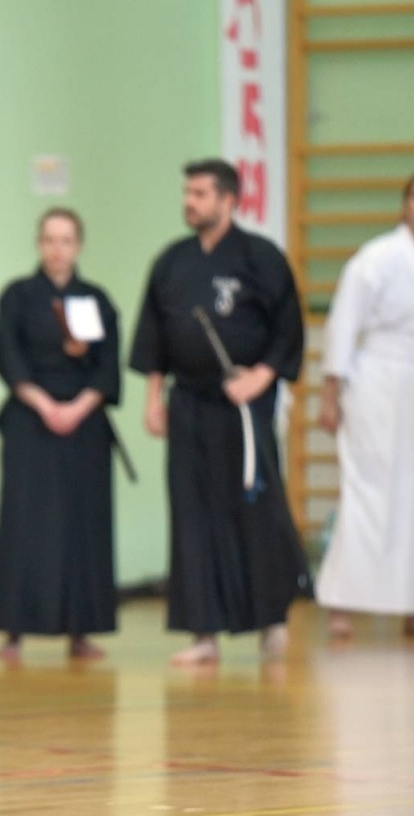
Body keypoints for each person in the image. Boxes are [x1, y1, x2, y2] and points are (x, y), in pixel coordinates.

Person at [130, 159, 308, 665]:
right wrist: (152, 399)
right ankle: (202, 632)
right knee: (191, 510)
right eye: (188, 192)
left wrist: (260, 377)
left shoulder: (260, 257)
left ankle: (271, 619)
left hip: (244, 401)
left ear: (229, 201)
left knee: (254, 507)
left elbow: (288, 329)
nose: (191, 201)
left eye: (201, 193)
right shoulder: (171, 262)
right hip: (188, 400)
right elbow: (154, 336)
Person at [316, 171, 414, 639]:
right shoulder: (375, 258)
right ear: (405, 205)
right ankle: (341, 600)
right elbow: (343, 325)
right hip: (376, 378)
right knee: (371, 486)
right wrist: (330, 391)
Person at [0, 207, 121, 662]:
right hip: (31, 418)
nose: (57, 249)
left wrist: (78, 406)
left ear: (78, 245)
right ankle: (14, 630)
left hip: (84, 422)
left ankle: (81, 630)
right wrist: (45, 405)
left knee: (84, 524)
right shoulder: (18, 296)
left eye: (66, 240)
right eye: (49, 240)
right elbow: (6, 356)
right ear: (38, 243)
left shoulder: (97, 300)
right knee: (25, 521)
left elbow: (107, 369)